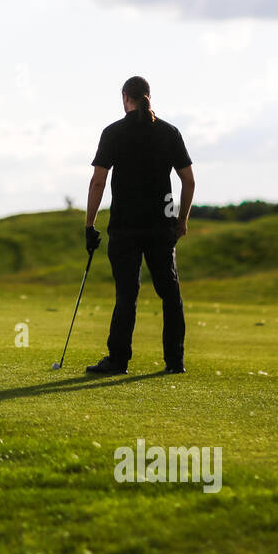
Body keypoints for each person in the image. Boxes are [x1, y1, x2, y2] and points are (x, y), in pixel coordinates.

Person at [82, 76, 194, 374]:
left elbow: (98, 182)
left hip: (125, 227)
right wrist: (181, 220)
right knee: (169, 293)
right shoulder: (170, 132)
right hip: (162, 227)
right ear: (148, 96)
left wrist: (89, 224)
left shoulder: (113, 132)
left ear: (124, 97)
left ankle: (118, 360)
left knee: (127, 294)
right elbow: (189, 180)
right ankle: (175, 361)